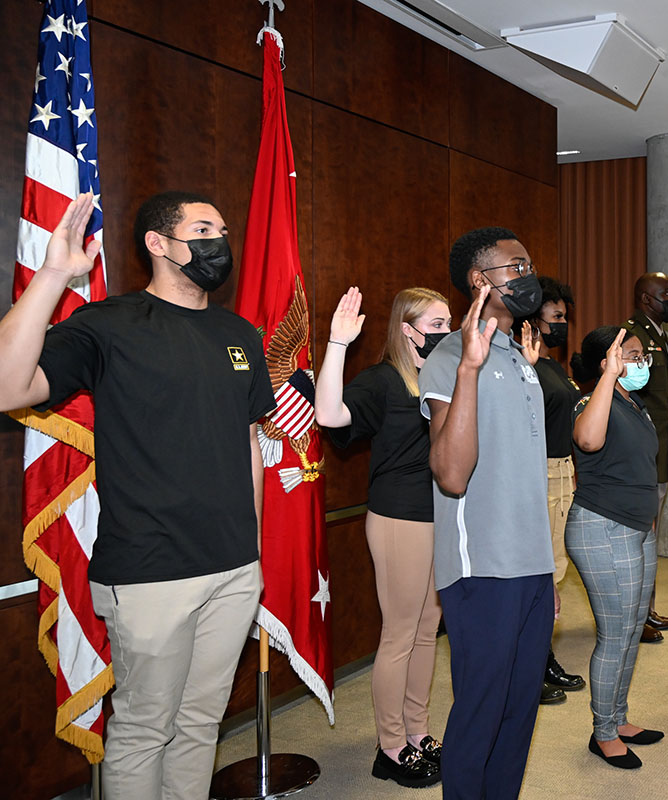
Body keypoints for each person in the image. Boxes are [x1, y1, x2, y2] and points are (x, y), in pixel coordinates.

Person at [0, 192, 273, 797]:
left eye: (223, 230)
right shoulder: (108, 323)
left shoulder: (239, 334)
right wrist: (53, 276)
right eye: (203, 229)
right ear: (158, 243)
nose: (220, 242)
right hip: (150, 570)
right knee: (146, 728)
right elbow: (7, 384)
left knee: (201, 723)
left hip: (233, 569)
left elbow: (248, 439)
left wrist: (250, 550)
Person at [418, 227, 558, 799]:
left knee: (521, 708)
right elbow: (450, 474)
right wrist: (470, 370)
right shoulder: (453, 355)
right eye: (515, 267)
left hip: (530, 563)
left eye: (529, 265)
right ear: (480, 281)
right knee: (482, 705)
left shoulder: (521, 355)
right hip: (482, 569)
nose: (528, 277)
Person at [314, 286, 448, 788]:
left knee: (427, 628)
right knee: (398, 635)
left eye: (448, 323)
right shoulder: (381, 380)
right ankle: (390, 747)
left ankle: (418, 733)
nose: (446, 332)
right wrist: (338, 345)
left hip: (439, 517)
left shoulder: (437, 378)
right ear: (407, 328)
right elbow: (329, 415)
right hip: (399, 520)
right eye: (435, 324)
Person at [567, 325, 664, 769]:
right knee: (614, 634)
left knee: (630, 630)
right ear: (605, 360)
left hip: (636, 528)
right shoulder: (592, 401)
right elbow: (588, 440)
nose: (640, 361)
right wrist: (607, 376)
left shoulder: (634, 404)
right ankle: (603, 732)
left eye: (642, 354)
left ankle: (619, 719)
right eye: (629, 354)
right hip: (603, 528)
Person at [514, 276, 586, 705]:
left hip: (561, 472)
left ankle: (542, 655)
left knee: (553, 572)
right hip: (535, 475)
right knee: (537, 576)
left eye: (565, 317)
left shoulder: (552, 365)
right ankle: (530, 665)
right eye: (556, 316)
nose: (562, 324)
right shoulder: (523, 365)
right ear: (533, 316)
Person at [622, 273, 668, 643]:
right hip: (642, 450)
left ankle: (647, 608)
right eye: (665, 294)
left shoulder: (658, 334)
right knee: (638, 537)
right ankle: (634, 615)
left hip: (658, 447)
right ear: (645, 299)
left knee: (650, 536)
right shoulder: (633, 336)